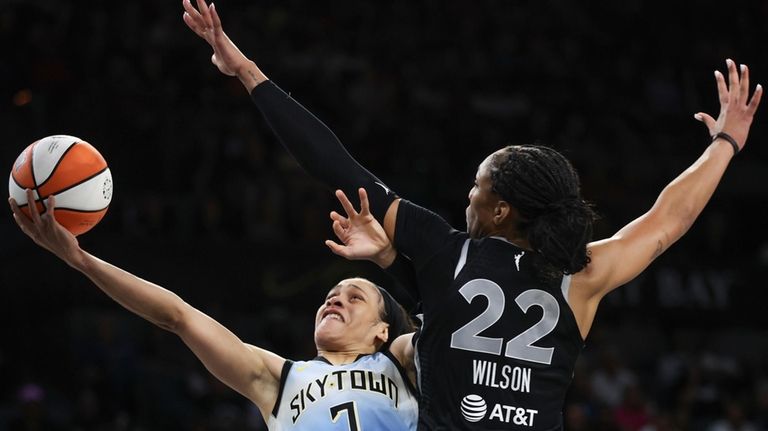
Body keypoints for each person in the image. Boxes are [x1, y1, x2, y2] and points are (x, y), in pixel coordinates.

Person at [182, 0, 762, 428]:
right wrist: (725, 145)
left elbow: (336, 166)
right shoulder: (580, 276)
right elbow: (667, 222)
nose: (468, 195)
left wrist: (248, 74)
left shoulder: (443, 249)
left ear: (501, 208)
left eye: (477, 187)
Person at [8, 188, 419, 430]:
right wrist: (80, 260)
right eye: (332, 293)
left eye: (354, 297)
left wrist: (387, 258)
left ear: (382, 331)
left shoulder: (403, 362)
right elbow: (177, 316)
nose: (334, 299)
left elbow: (455, 311)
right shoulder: (277, 378)